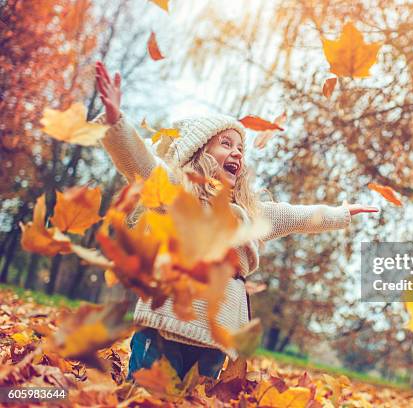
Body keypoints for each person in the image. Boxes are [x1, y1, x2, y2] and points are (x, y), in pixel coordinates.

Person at [94, 61, 379, 381]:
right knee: (146, 396)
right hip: (166, 327)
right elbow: (141, 164)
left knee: (199, 400)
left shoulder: (249, 213)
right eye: (226, 144)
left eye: (241, 148)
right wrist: (115, 120)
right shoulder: (177, 196)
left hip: (217, 336)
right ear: (198, 153)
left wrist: (340, 213)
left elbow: (299, 216)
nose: (237, 153)